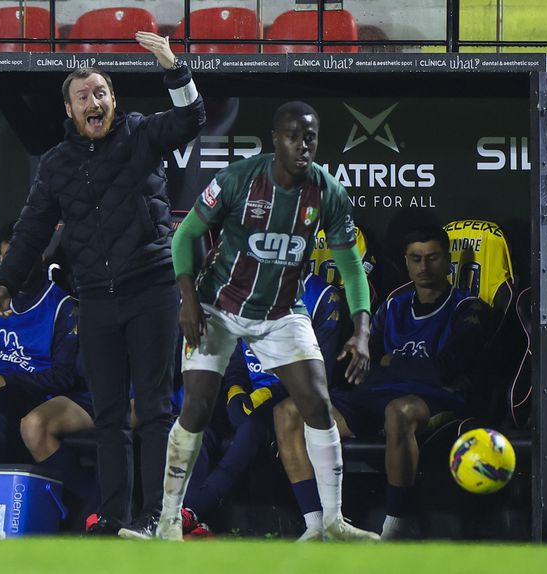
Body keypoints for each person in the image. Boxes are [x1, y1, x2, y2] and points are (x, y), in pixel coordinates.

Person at [0, 31, 206, 537]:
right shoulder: (56, 164)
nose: (94, 102)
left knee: (153, 410)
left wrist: (173, 66)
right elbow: (32, 228)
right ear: (69, 110)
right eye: (83, 96)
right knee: (108, 416)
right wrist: (6, 282)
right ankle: (113, 518)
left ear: (114, 99)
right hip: (96, 299)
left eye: (101, 93)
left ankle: (158, 517)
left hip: (152, 289)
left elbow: (191, 119)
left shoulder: (140, 133)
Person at [156, 101, 379, 542]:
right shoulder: (238, 179)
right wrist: (188, 299)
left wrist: (362, 332)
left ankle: (333, 520)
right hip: (218, 307)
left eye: (310, 137)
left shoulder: (328, 192)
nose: (303, 145)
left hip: (281, 312)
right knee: (196, 407)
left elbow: (352, 270)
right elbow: (185, 236)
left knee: (316, 401)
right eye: (293, 136)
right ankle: (168, 520)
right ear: (276, 139)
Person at [274, 226, 493, 540]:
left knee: (399, 411)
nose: (424, 267)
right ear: (406, 262)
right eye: (416, 258)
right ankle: (316, 527)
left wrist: (395, 363)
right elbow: (364, 364)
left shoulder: (468, 307)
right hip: (375, 397)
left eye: (432, 258)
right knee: (288, 411)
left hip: (433, 400)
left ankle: (395, 528)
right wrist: (397, 367)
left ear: (447, 261)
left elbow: (448, 369)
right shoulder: (393, 306)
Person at [0, 223, 95, 510]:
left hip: (25, 391)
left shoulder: (63, 306)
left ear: (40, 257)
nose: (12, 266)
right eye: (6, 259)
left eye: (21, 257)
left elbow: (63, 376)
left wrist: (2, 382)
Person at [182, 273, 341, 532]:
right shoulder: (245, 287)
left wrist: (270, 394)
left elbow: (323, 373)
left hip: (291, 401)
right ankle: (195, 523)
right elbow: (235, 354)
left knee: (252, 428)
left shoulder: (322, 295)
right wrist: (235, 391)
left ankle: (194, 510)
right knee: (202, 423)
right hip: (247, 397)